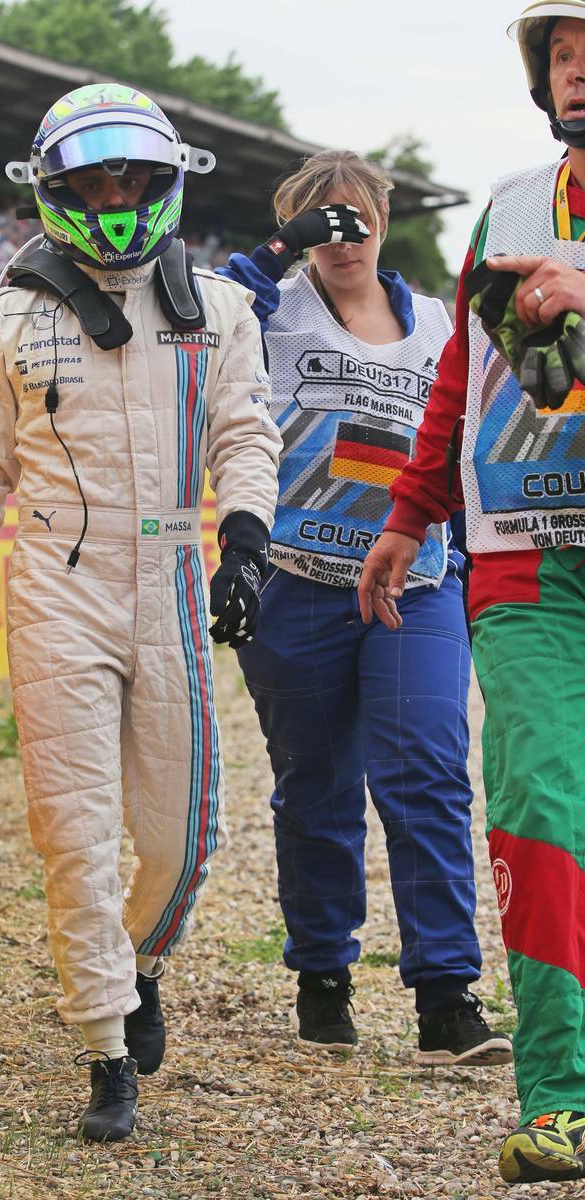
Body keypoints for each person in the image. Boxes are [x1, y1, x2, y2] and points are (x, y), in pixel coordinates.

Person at [0, 82, 282, 1142]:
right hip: (54, 584)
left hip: (172, 572)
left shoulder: (221, 310)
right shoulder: (3, 320)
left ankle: (139, 963)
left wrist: (245, 548)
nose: (114, 199)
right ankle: (105, 1047)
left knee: (186, 836)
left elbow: (244, 437)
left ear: (165, 180)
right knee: (73, 832)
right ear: (55, 189)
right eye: (92, 182)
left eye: (131, 179)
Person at [218, 151, 512, 1068]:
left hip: (414, 584)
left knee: (427, 772)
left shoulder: (434, 322)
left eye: (354, 218)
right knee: (316, 787)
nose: (341, 238)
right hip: (295, 582)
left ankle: (445, 996)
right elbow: (199, 313)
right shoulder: (266, 309)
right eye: (319, 222)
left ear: (383, 220)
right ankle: (322, 974)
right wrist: (281, 249)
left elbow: (475, 426)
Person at [358, 3, 585, 1183]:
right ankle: (563, 1096)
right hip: (527, 560)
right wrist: (410, 512)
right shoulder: (504, 207)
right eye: (562, 52)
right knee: (539, 801)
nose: (576, 69)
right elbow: (462, 370)